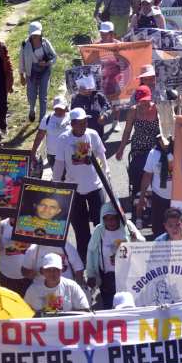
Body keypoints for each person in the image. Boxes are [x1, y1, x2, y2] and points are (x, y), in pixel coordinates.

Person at [53, 107, 107, 262]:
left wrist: (107, 179)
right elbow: (59, 164)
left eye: (85, 122)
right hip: (75, 189)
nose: (83, 125)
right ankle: (83, 260)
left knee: (100, 224)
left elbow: (102, 158)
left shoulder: (93, 134)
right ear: (72, 124)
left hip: (95, 187)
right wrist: (56, 186)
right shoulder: (63, 139)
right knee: (81, 229)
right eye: (80, 123)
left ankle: (101, 254)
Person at [86, 203, 145, 308]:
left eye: (113, 218)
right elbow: (91, 252)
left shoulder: (128, 226)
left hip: (127, 275)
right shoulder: (99, 231)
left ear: (119, 217)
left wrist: (136, 239)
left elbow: (143, 245)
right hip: (107, 277)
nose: (110, 222)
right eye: (107, 219)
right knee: (109, 307)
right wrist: (91, 274)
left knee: (128, 305)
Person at [115, 85, 160, 198]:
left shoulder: (157, 109)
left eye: (146, 100)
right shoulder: (133, 111)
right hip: (138, 148)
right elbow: (127, 131)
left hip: (154, 147)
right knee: (137, 168)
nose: (144, 103)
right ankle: (137, 196)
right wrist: (121, 149)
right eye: (141, 101)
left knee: (156, 169)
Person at [24, 253, 89, 314]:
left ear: (62, 270)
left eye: (56, 269)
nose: (52, 273)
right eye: (48, 270)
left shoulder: (72, 286)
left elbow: (84, 310)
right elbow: (25, 313)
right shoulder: (33, 290)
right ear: (42, 271)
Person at [19, 21, 56, 123]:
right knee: (31, 95)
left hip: (45, 71)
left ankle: (42, 121)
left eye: (37, 34)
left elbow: (54, 57)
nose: (35, 37)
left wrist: (47, 63)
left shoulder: (45, 42)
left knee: (43, 96)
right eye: (33, 35)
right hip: (31, 72)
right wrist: (21, 75)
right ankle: (32, 109)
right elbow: (21, 60)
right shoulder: (25, 44)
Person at [137, 135, 174, 238]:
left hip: (176, 198)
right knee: (158, 229)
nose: (164, 142)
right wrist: (141, 197)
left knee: (175, 228)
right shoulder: (153, 154)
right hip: (159, 197)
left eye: (167, 139)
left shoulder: (178, 152)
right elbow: (147, 175)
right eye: (161, 139)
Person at [0, 218, 30, 297]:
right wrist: (0, 246)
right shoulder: (1, 226)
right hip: (7, 277)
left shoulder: (32, 225)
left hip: (28, 276)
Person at [30, 94, 70, 169]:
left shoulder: (71, 117)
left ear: (66, 107)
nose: (59, 111)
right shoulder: (47, 118)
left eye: (61, 108)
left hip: (69, 154)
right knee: (58, 177)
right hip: (53, 155)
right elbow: (39, 136)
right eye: (57, 108)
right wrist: (33, 151)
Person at [71, 74, 112, 140]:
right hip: (82, 134)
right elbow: (72, 116)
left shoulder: (99, 96)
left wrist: (104, 115)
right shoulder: (75, 99)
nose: (88, 91)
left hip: (98, 132)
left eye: (90, 89)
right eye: (85, 89)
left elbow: (108, 107)